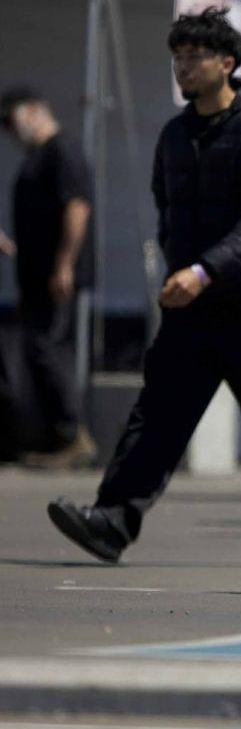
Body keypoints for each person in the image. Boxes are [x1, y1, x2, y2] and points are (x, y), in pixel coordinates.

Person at [45, 6, 241, 567]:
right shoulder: (175, 134)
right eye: (177, 58)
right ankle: (113, 521)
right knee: (160, 411)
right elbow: (167, 210)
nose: (183, 68)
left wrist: (203, 271)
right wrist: (179, 271)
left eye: (194, 58)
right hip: (191, 302)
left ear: (228, 63)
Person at [0, 86, 96, 468]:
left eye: (12, 119)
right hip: (37, 272)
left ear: (36, 111)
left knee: (47, 347)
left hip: (56, 275)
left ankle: (71, 433)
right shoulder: (36, 156)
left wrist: (64, 264)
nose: (10, 130)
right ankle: (57, 435)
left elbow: (77, 208)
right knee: (36, 348)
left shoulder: (62, 150)